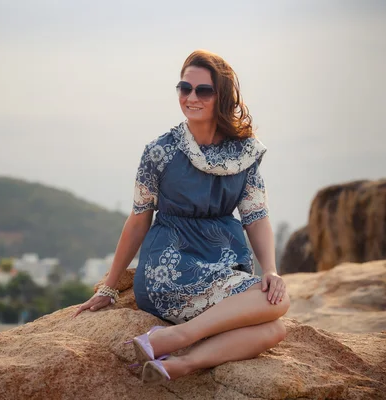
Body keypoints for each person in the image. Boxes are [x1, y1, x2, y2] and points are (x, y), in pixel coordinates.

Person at [73, 49, 290, 383]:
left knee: (274, 327)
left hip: (222, 263)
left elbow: (256, 216)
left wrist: (271, 270)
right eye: (184, 88)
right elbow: (138, 220)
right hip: (170, 266)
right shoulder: (159, 151)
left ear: (223, 96)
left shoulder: (244, 152)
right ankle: (174, 338)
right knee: (274, 308)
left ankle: (177, 363)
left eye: (203, 90)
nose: (191, 97)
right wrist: (109, 287)